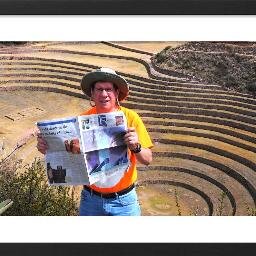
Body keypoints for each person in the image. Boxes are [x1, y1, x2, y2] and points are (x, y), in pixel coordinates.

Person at [37, 67, 153, 216]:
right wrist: (48, 148)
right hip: (90, 200)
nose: (104, 94)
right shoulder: (81, 120)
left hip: (124, 203)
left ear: (116, 93)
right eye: (99, 89)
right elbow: (72, 156)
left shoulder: (131, 118)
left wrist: (136, 147)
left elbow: (148, 159)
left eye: (108, 89)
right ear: (92, 93)